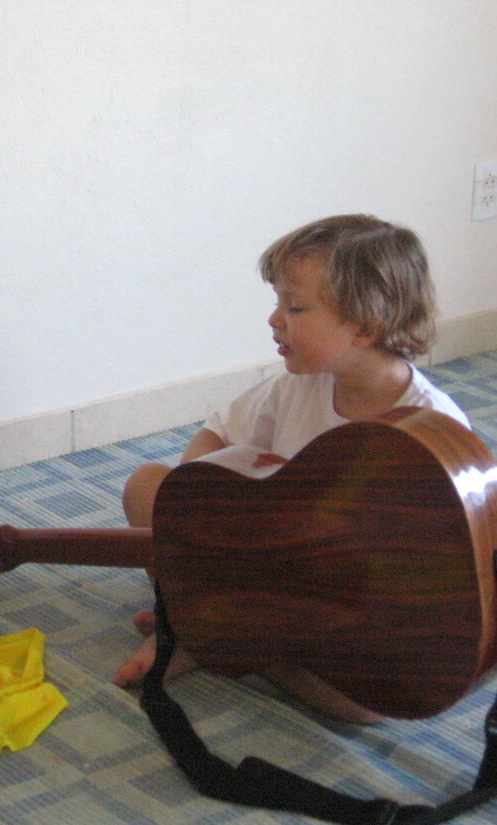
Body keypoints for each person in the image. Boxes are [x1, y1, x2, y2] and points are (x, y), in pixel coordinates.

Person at [113, 213, 469, 724]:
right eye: (278, 302)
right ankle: (214, 625)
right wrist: (200, 511)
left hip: (339, 600)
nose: (274, 319)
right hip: (258, 564)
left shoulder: (433, 430)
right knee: (147, 485)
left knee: (366, 708)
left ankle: (226, 638)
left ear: (367, 326)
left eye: (295, 307)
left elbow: (444, 567)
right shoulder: (298, 384)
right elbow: (215, 437)